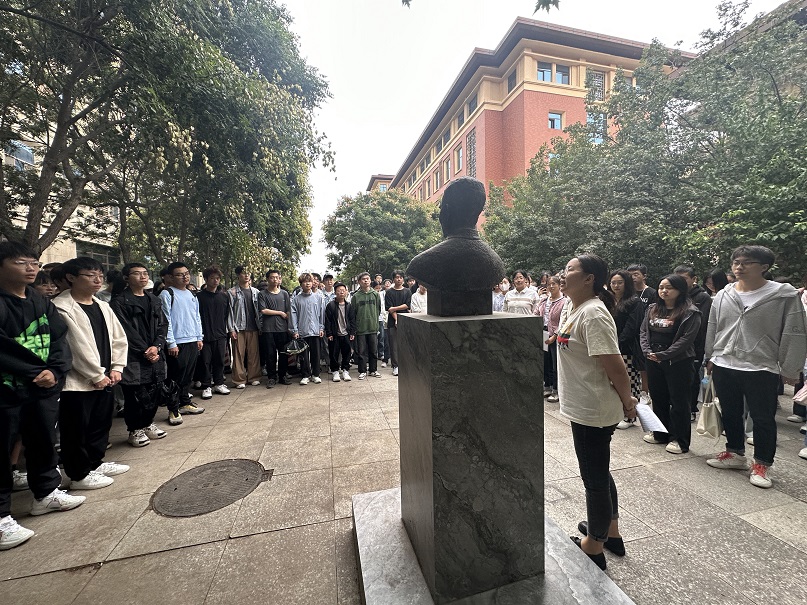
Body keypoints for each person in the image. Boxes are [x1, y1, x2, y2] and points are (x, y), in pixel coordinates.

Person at [0, 242, 84, 551]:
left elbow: (59, 337)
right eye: (21, 262)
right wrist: (35, 370)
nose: (31, 268)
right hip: (7, 390)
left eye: (34, 262)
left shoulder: (39, 301)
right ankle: (1, 519)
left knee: (42, 440)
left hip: (42, 388)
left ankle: (45, 494)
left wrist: (55, 369)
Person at [557, 254, 637, 571]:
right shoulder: (573, 307)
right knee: (599, 472)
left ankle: (594, 546)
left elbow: (614, 365)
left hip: (594, 407)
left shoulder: (593, 313)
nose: (563, 274)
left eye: (570, 270)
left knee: (594, 479)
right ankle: (610, 533)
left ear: (589, 278)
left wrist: (628, 402)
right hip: (583, 404)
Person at [705, 245, 807, 488]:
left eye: (746, 262)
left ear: (764, 267)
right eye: (736, 262)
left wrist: (790, 368)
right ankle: (735, 453)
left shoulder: (784, 296)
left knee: (763, 418)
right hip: (724, 362)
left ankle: (762, 464)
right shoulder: (725, 294)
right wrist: (710, 355)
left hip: (761, 366)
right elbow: (713, 325)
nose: (739, 267)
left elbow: (794, 332)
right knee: (730, 412)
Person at [53, 257, 130, 489]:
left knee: (100, 424)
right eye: (90, 275)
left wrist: (117, 367)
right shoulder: (61, 307)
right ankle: (79, 475)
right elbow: (76, 347)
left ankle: (95, 463)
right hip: (78, 381)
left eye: (100, 276)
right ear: (71, 277)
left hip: (106, 376)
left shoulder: (102, 306)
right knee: (77, 429)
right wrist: (96, 375)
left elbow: (118, 338)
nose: (97, 280)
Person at [639, 274, 701, 454]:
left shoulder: (690, 312)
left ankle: (679, 440)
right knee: (658, 398)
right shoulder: (652, 308)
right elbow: (644, 331)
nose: (664, 291)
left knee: (679, 401)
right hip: (653, 359)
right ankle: (660, 433)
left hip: (678, 361)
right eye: (661, 287)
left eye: (669, 288)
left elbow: (686, 339)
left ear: (680, 290)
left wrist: (664, 355)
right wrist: (648, 351)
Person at [110, 263, 169, 447]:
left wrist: (157, 346)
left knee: (154, 391)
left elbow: (163, 325)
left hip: (154, 353)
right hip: (134, 356)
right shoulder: (119, 302)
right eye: (137, 273)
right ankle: (135, 429)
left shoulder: (154, 299)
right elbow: (125, 331)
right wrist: (146, 350)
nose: (143, 277)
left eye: (145, 273)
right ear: (126, 278)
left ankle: (148, 423)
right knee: (135, 394)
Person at [160, 262, 205, 425]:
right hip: (177, 342)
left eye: (186, 273)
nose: (185, 277)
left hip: (192, 340)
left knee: (188, 376)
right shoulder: (167, 294)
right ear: (171, 277)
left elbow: (196, 317)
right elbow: (166, 320)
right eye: (180, 274)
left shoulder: (192, 294)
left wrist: (199, 337)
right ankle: (173, 409)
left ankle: (185, 403)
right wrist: (171, 342)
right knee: (175, 378)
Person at [674, 266, 712, 421]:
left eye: (684, 278)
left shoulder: (703, 297)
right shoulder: (676, 295)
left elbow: (703, 323)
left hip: (695, 345)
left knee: (692, 378)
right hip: (674, 345)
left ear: (694, 279)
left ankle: (691, 408)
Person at [608, 270, 644, 429]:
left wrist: (618, 342)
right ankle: (618, 412)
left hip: (627, 348)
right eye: (613, 282)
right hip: (611, 346)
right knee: (613, 381)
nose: (616, 286)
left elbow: (632, 327)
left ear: (626, 283)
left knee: (629, 380)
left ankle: (631, 416)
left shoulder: (634, 302)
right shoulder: (608, 300)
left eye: (620, 282)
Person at [196, 266, 232, 401]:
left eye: (217, 278)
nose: (215, 281)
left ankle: (219, 383)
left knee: (219, 360)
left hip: (220, 334)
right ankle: (206, 386)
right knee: (205, 362)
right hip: (204, 335)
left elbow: (226, 315)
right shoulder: (199, 297)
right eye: (212, 278)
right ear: (206, 279)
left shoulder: (224, 297)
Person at [228, 266, 262, 388]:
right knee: (238, 355)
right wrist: (231, 329)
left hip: (253, 327)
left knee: (254, 354)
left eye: (248, 273)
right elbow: (229, 312)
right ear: (238, 275)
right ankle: (239, 380)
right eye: (243, 273)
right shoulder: (232, 292)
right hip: (238, 328)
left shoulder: (256, 292)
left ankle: (254, 377)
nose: (246, 275)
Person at [627, 263, 656, 405]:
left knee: (643, 364)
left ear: (644, 276)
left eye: (636, 274)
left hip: (645, 333)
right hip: (630, 332)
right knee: (631, 364)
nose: (632, 277)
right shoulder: (628, 293)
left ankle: (645, 392)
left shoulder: (651, 293)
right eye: (630, 275)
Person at [259, 269, 292, 388]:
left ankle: (282, 376)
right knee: (270, 354)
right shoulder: (262, 294)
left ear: (279, 279)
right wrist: (279, 313)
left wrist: (290, 326)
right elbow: (263, 310)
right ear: (268, 279)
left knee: (283, 354)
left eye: (277, 277)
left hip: (282, 329)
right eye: (272, 277)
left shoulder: (284, 294)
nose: (275, 279)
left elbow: (288, 310)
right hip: (268, 329)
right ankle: (271, 377)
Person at [291, 272, 325, 385]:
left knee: (316, 354)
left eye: (309, 281)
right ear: (301, 284)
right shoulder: (296, 299)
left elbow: (322, 314)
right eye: (305, 282)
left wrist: (321, 328)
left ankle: (316, 374)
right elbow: (293, 315)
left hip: (315, 331)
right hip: (302, 331)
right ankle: (305, 375)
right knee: (303, 355)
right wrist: (295, 330)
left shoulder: (318, 298)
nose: (308, 284)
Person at [537, 275, 565, 403]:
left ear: (559, 285)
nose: (551, 286)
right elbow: (536, 313)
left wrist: (555, 335)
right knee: (545, 361)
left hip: (556, 335)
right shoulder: (544, 300)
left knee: (555, 363)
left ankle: (556, 390)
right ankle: (547, 385)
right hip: (544, 333)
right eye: (549, 284)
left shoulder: (564, 302)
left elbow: (564, 321)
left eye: (554, 283)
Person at [351, 273, 382, 380]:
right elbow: (353, 313)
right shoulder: (356, 296)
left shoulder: (375, 294)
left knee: (373, 350)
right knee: (361, 351)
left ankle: (373, 370)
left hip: (373, 327)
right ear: (359, 282)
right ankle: (362, 371)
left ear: (370, 280)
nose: (366, 281)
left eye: (367, 279)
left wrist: (374, 321)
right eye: (363, 279)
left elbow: (378, 309)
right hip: (361, 328)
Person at [325, 282, 355, 382]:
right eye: (339, 290)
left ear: (346, 292)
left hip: (346, 333)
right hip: (334, 334)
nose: (341, 292)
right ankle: (335, 371)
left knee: (346, 353)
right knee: (334, 354)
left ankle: (345, 370)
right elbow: (328, 321)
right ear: (335, 292)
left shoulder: (349, 306)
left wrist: (352, 332)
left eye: (343, 290)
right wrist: (329, 333)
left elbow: (352, 320)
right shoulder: (331, 305)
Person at [385, 270, 411, 376]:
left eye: (401, 277)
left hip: (406, 320)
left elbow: (407, 305)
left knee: (406, 344)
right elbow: (389, 308)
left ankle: (406, 365)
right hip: (392, 322)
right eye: (397, 277)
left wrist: (395, 308)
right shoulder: (389, 292)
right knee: (394, 345)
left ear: (403, 279)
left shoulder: (407, 291)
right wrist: (396, 319)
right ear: (393, 279)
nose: (399, 279)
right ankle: (395, 366)